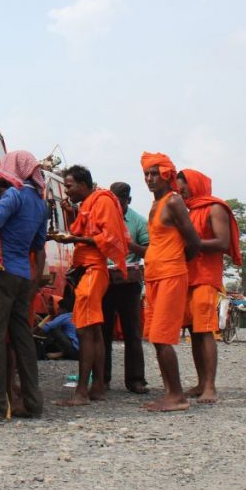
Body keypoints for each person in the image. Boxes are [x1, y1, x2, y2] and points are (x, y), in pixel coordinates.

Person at [0, 150, 48, 421]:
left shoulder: (14, 195)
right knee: (23, 339)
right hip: (22, 276)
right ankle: (33, 402)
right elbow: (38, 245)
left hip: (1, 271)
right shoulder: (41, 204)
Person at [54, 165, 129, 407]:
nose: (67, 192)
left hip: (94, 271)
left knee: (85, 332)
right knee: (95, 332)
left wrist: (74, 239)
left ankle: (81, 392)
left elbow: (108, 238)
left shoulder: (102, 201)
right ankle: (97, 388)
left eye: (69, 186)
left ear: (84, 185)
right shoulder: (88, 203)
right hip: (89, 271)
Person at [140, 152, 201, 413]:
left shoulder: (174, 201)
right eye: (147, 174)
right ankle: (169, 393)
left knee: (163, 337)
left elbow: (194, 243)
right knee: (155, 337)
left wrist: (174, 264)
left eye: (155, 173)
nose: (150, 178)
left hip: (170, 276)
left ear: (167, 175)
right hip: (154, 276)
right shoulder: (156, 204)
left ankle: (177, 397)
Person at [178, 168, 243, 402]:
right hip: (188, 276)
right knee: (194, 331)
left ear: (195, 184)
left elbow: (222, 242)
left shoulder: (215, 208)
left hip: (205, 276)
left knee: (205, 330)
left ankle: (210, 387)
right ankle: (200, 382)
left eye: (183, 187)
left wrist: (191, 244)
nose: (180, 191)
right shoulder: (189, 211)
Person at [102, 182, 149, 395]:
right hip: (105, 281)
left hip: (129, 284)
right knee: (103, 332)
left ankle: (136, 380)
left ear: (128, 201)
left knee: (132, 333)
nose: (116, 206)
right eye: (112, 201)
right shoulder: (102, 217)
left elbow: (149, 251)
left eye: (120, 202)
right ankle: (102, 379)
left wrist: (127, 243)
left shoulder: (139, 221)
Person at [37, 292, 80, 360]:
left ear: (64, 309)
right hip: (80, 350)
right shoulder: (75, 316)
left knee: (53, 329)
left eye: (59, 308)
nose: (57, 310)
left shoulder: (64, 316)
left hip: (74, 350)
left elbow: (46, 327)